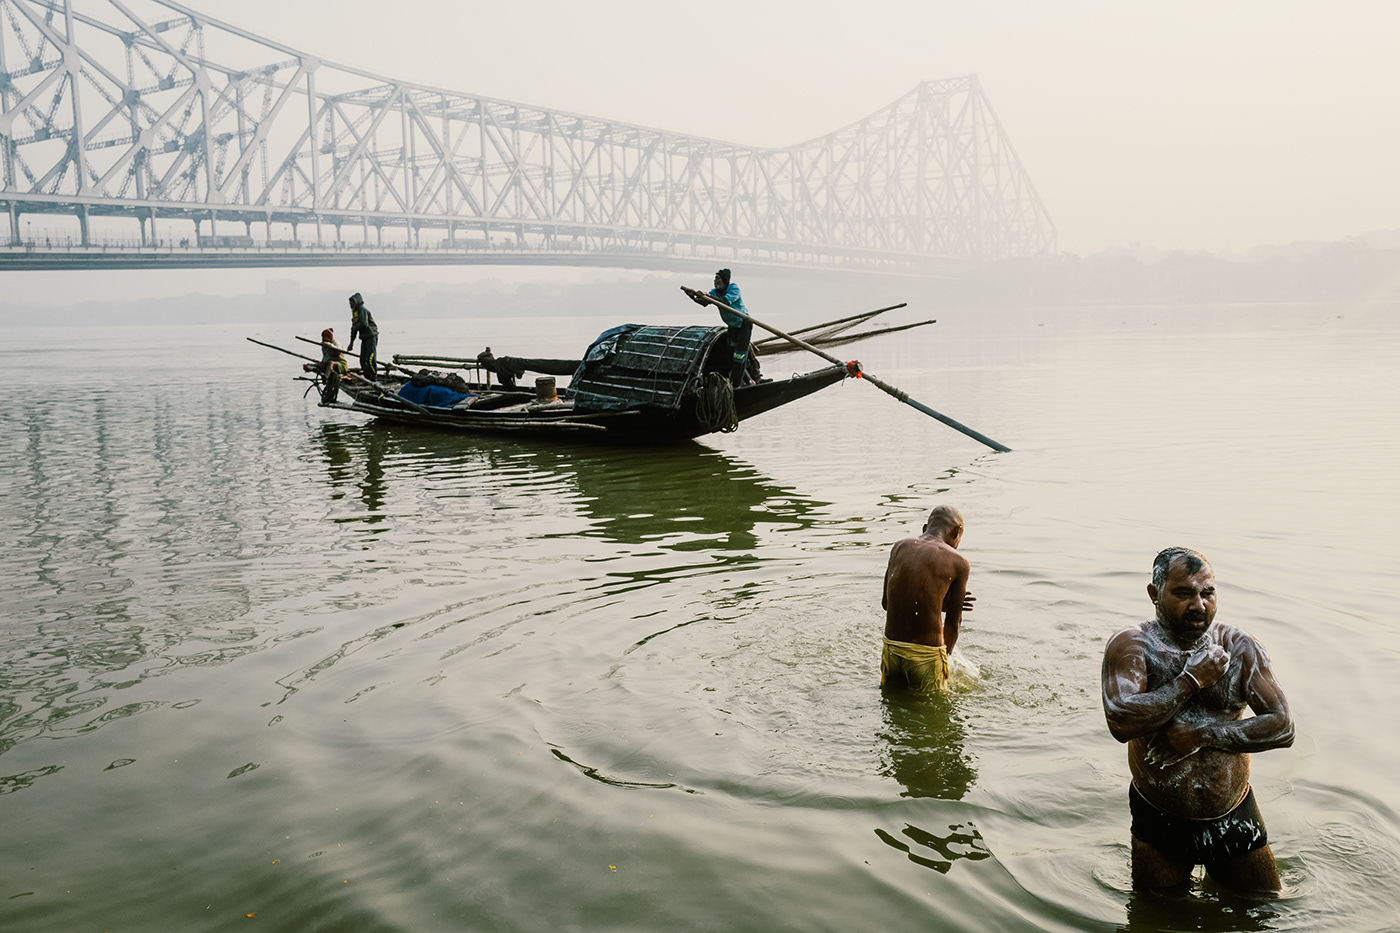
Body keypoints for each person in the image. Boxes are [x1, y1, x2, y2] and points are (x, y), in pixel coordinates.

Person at [1101, 547, 1294, 894]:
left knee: (1264, 908)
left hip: (1233, 814)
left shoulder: (1239, 647)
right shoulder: (1132, 645)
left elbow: (1283, 726)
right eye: (1184, 593)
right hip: (1160, 818)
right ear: (1154, 594)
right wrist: (1191, 681)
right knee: (1157, 919)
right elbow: (1120, 721)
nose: (1199, 605)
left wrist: (1201, 734)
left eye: (1207, 593)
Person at [880, 505, 974, 693]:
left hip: (891, 650)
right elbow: (953, 625)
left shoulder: (899, 546)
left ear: (925, 528)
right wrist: (944, 662)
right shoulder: (959, 563)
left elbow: (886, 604)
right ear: (957, 533)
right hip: (925, 657)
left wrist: (940, 603)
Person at [690, 268, 754, 385]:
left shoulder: (734, 289)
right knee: (730, 356)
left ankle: (737, 385)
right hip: (733, 326)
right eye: (715, 279)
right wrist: (693, 296)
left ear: (725, 280)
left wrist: (707, 296)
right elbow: (705, 303)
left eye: (718, 279)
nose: (715, 281)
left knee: (739, 356)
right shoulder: (715, 292)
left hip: (744, 324)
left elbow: (724, 302)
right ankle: (749, 381)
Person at [303, 327, 347, 404]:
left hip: (340, 365)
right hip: (329, 366)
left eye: (325, 337)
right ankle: (325, 375)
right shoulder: (324, 345)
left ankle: (326, 377)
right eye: (322, 338)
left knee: (331, 363)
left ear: (329, 337)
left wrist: (329, 345)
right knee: (321, 364)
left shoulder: (336, 343)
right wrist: (316, 365)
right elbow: (325, 358)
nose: (323, 339)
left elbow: (339, 351)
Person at [345, 292, 379, 380]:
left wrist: (355, 326)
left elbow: (364, 324)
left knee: (370, 358)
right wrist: (351, 342)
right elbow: (354, 329)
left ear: (357, 302)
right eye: (350, 303)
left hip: (371, 336)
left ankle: (373, 378)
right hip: (364, 338)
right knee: (362, 359)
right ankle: (367, 377)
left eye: (352, 303)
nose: (351, 305)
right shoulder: (355, 313)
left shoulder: (362, 310)